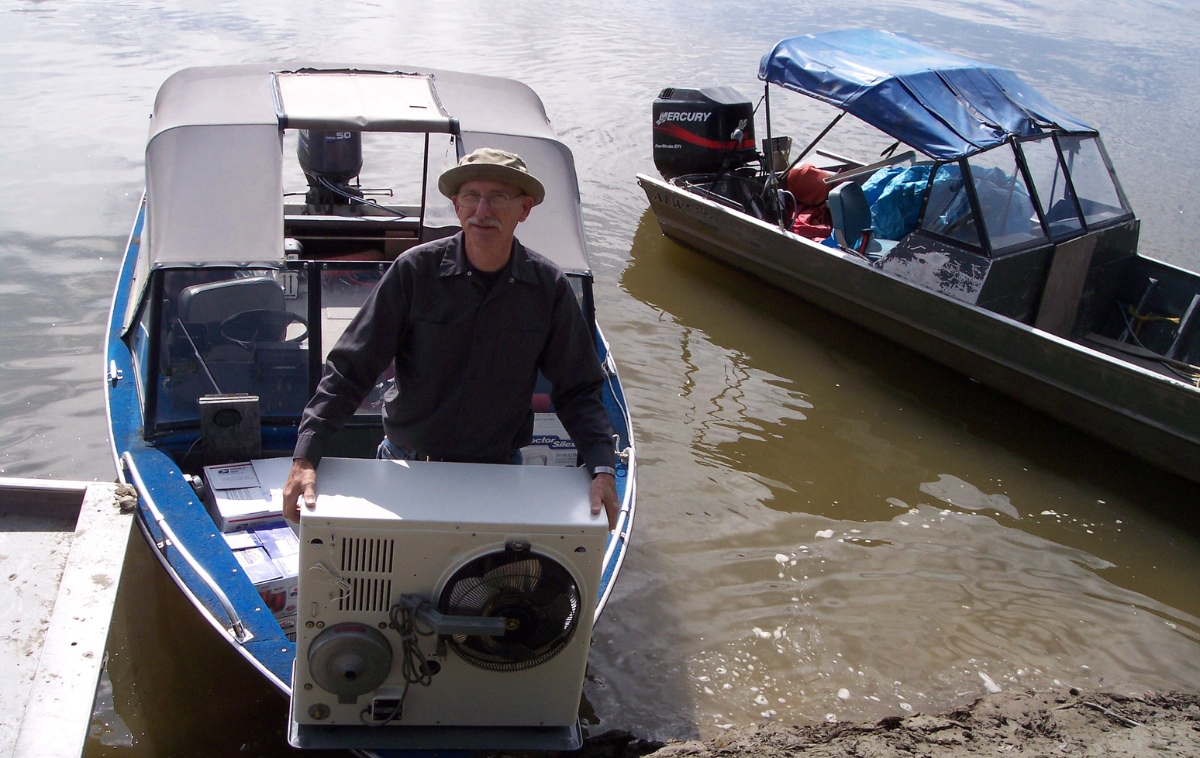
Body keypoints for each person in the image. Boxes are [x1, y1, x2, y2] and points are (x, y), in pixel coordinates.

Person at [282, 148, 619, 528]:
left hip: (498, 474)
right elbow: (350, 369)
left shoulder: (548, 288)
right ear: (457, 207)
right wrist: (306, 456)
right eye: (471, 197)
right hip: (407, 465)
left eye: (499, 197)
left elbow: (578, 390)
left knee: (491, 585)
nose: (482, 211)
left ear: (524, 209)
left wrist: (602, 466)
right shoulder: (413, 272)